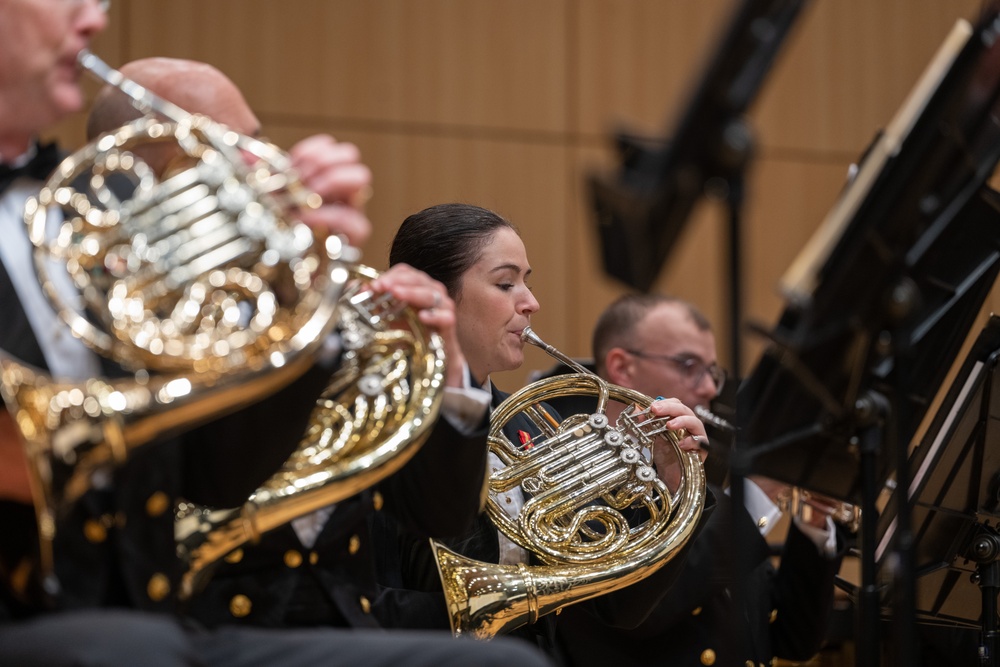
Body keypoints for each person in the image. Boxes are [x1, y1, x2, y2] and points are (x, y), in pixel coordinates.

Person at [0, 4, 551, 665]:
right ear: (144, 167)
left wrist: (402, 345)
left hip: (289, 620)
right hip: (156, 613)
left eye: (259, 142)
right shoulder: (95, 271)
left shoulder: (282, 297)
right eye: (231, 148)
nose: (264, 168)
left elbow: (231, 474)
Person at [369, 203, 713, 659]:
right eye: (506, 283)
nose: (531, 302)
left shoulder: (529, 426)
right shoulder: (379, 429)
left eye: (527, 281)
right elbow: (358, 604)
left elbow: (617, 607)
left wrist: (670, 483)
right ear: (436, 294)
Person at [550, 293, 845, 667]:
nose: (709, 388)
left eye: (713, 372)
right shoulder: (573, 478)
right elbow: (639, 616)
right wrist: (757, 493)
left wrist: (814, 525)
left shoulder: (706, 482)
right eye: (689, 365)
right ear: (622, 367)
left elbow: (791, 640)